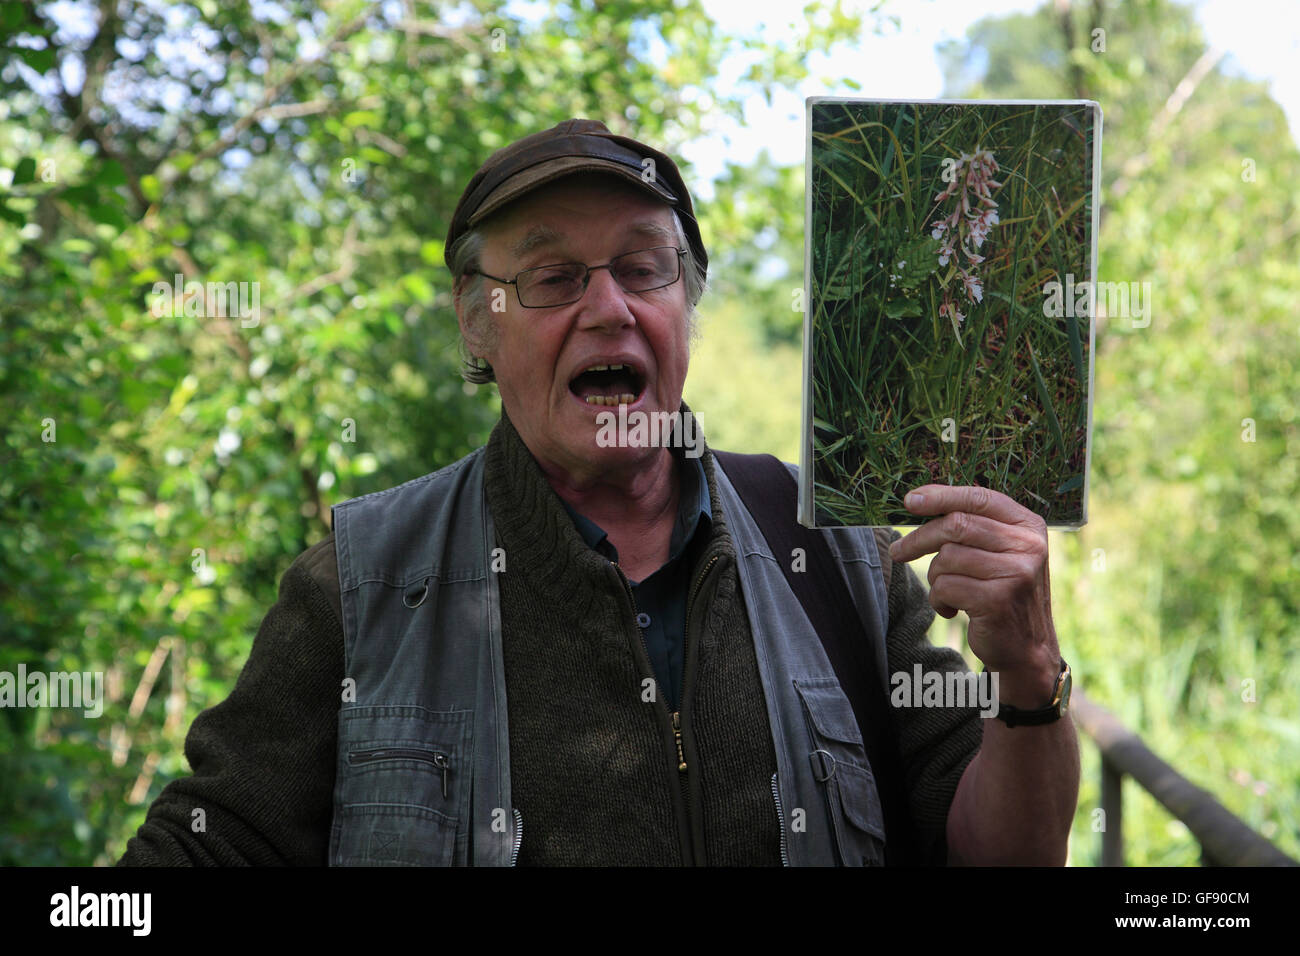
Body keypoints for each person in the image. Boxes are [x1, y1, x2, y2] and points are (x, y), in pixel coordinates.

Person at [118, 118, 1078, 867]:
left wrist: (1030, 678)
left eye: (642, 268)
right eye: (551, 277)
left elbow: (1001, 851)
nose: (607, 306)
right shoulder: (360, 589)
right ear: (476, 326)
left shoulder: (831, 551)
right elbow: (215, 844)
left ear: (687, 304)